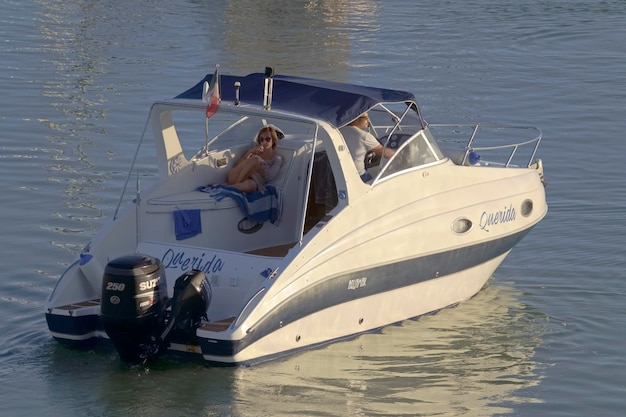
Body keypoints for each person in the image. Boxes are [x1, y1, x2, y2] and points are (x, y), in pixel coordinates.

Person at [224, 126, 283, 193]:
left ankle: (229, 187)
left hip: (252, 180)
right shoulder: (255, 151)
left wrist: (256, 167)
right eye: (261, 139)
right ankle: (235, 185)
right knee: (256, 159)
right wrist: (250, 153)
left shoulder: (277, 158)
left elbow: (271, 176)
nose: (264, 142)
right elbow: (237, 166)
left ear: (273, 141)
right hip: (236, 176)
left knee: (251, 186)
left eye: (267, 139)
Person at [339, 113, 394, 182]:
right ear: (355, 119)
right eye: (366, 118)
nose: (369, 121)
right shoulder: (364, 136)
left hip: (340, 174)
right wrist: (401, 154)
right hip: (358, 176)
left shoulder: (339, 131)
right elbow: (386, 154)